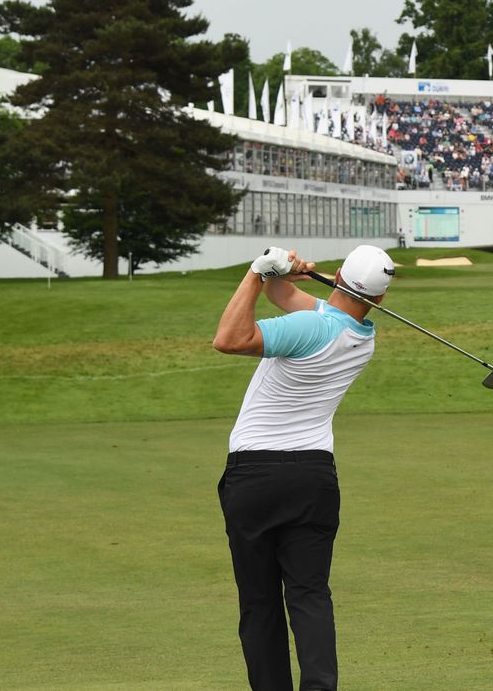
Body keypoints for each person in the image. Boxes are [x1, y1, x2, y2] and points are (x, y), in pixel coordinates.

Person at [211, 244, 397, 691]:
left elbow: (228, 339)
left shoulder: (310, 327)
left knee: (260, 602)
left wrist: (256, 272)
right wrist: (279, 278)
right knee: (310, 595)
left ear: (339, 274)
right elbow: (289, 299)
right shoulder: (361, 334)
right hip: (314, 478)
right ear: (380, 298)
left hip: (256, 475)